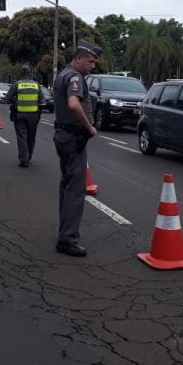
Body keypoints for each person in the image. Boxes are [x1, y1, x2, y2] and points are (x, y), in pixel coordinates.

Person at [52, 39, 102, 257]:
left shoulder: (62, 74)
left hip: (62, 135)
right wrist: (89, 127)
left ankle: (65, 230)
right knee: (75, 189)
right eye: (90, 61)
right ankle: (67, 239)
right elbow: (74, 104)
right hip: (73, 137)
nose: (93, 66)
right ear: (79, 59)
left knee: (67, 184)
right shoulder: (75, 77)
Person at [6, 64, 43, 168]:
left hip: (20, 115)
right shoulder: (36, 85)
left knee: (22, 137)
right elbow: (42, 101)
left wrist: (15, 101)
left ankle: (24, 159)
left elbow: (8, 99)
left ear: (21, 73)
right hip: (33, 116)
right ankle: (29, 156)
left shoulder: (17, 84)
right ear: (30, 73)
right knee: (31, 137)